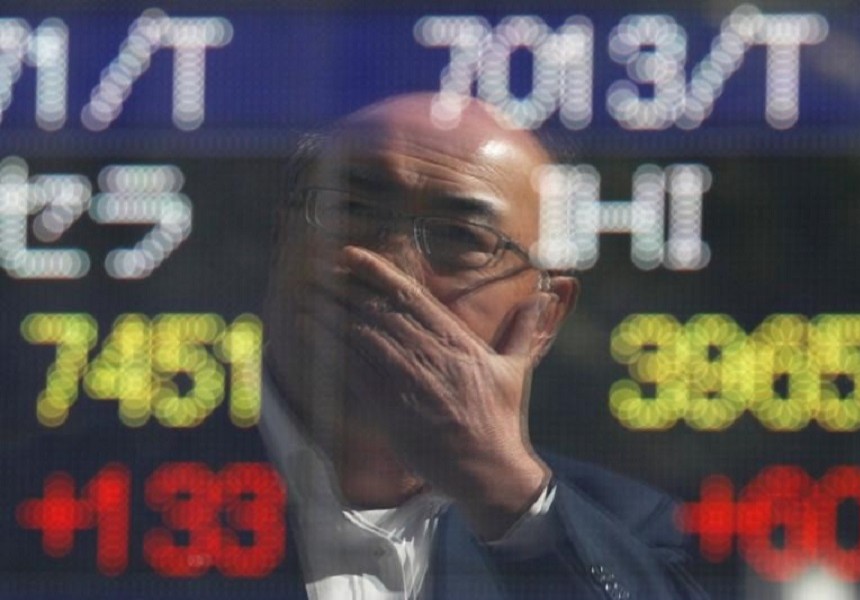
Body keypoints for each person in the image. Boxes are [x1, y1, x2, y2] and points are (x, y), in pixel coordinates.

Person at [261, 92, 707, 600]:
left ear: (544, 315)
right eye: (352, 208)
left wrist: (508, 497)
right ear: (281, 239)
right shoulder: (160, 486)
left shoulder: (631, 528)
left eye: (460, 236)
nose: (388, 264)